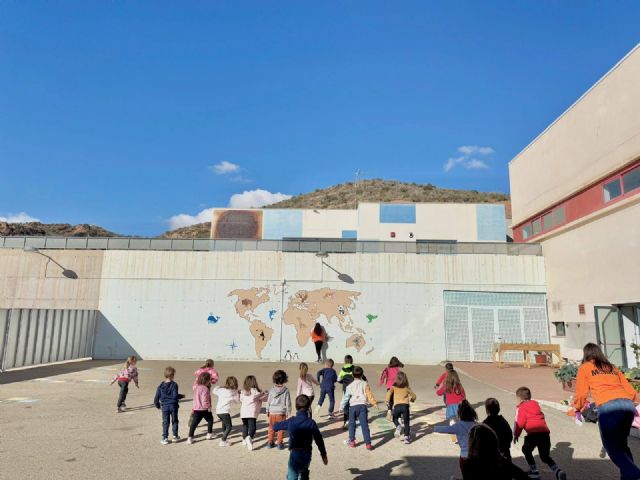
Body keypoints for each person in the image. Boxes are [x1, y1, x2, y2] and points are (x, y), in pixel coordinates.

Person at [573, 342, 640, 479]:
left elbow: (581, 393)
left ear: (586, 354)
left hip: (608, 407)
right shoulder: (612, 367)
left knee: (612, 448)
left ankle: (635, 475)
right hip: (627, 405)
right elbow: (631, 391)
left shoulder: (585, 368)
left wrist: (577, 409)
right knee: (622, 446)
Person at [514, 386, 566, 480]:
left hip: (533, 434)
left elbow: (519, 423)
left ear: (519, 398)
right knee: (545, 457)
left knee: (526, 449)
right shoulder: (536, 405)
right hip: (545, 434)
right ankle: (557, 471)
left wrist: (516, 434)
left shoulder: (521, 408)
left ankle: (534, 470)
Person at [274, 394, 328, 480]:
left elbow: (275, 427)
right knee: (303, 471)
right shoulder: (311, 422)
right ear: (309, 407)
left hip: (295, 453)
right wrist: (323, 454)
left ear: (296, 407)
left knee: (292, 476)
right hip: (307, 453)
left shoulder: (291, 421)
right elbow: (319, 439)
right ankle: (304, 475)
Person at [462, 424, 529, 480]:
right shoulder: (502, 463)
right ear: (494, 443)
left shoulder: (468, 465)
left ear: (472, 444)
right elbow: (524, 477)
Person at [434, 400, 478, 474]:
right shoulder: (477, 425)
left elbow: (446, 429)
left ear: (460, 414)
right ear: (472, 413)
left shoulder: (458, 426)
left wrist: (434, 428)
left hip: (464, 456)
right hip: (476, 456)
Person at [340, 366, 377, 450]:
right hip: (362, 406)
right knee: (364, 425)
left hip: (352, 407)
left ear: (352, 375)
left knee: (352, 425)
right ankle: (368, 444)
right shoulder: (365, 383)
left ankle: (352, 441)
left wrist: (341, 406)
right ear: (362, 374)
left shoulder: (349, 386)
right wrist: (374, 403)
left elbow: (346, 397)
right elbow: (369, 394)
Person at [154, 366, 184, 445]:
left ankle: (165, 438)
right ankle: (175, 436)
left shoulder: (160, 386)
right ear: (172, 375)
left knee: (165, 422)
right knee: (175, 421)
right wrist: (181, 396)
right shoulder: (174, 385)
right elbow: (175, 396)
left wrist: (158, 406)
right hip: (173, 406)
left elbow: (156, 398)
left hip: (165, 406)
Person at [386, 371, 416, 444]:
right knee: (406, 422)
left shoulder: (393, 387)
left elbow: (389, 393)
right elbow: (414, 396)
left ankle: (398, 425)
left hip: (397, 406)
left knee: (394, 418)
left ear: (396, 379)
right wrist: (412, 400)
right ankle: (406, 438)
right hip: (405, 406)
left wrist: (387, 400)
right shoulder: (407, 388)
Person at [239, 375, 268, 451]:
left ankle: (244, 439)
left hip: (243, 412)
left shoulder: (243, 392)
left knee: (245, 426)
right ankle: (249, 437)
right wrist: (265, 393)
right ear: (255, 382)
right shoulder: (256, 392)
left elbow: (241, 399)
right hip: (252, 413)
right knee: (252, 428)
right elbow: (265, 399)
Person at [266, 369, 292, 450]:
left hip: (272, 412)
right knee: (281, 429)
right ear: (284, 379)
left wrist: (267, 410)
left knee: (271, 427)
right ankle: (279, 444)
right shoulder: (286, 390)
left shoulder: (271, 389)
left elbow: (268, 401)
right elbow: (288, 402)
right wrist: (288, 412)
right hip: (281, 412)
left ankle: (270, 442)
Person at [189, 359, 219, 427]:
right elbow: (215, 380)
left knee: (196, 400)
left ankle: (193, 414)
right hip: (205, 386)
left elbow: (195, 373)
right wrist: (210, 379)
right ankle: (206, 413)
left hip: (196, 386)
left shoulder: (201, 369)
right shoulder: (212, 370)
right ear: (212, 364)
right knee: (206, 400)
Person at [187, 371, 214, 444]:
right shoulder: (205, 389)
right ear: (207, 380)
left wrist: (193, 408)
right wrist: (208, 407)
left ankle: (190, 438)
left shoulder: (196, 387)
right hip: (204, 409)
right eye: (210, 380)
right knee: (210, 420)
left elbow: (195, 399)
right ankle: (209, 434)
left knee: (194, 424)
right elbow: (204, 399)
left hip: (196, 409)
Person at [436, 370, 466, 434]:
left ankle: (454, 434)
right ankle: (460, 431)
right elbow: (463, 395)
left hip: (451, 406)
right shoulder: (459, 386)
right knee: (459, 420)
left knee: (452, 421)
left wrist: (438, 390)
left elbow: (439, 393)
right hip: (460, 406)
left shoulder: (446, 386)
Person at [213, 376, 240, 447]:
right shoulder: (232, 392)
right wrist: (238, 393)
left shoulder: (221, 390)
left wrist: (221, 386)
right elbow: (237, 401)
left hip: (218, 411)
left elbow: (214, 390)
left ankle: (224, 435)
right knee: (229, 426)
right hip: (225, 412)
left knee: (224, 423)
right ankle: (223, 440)